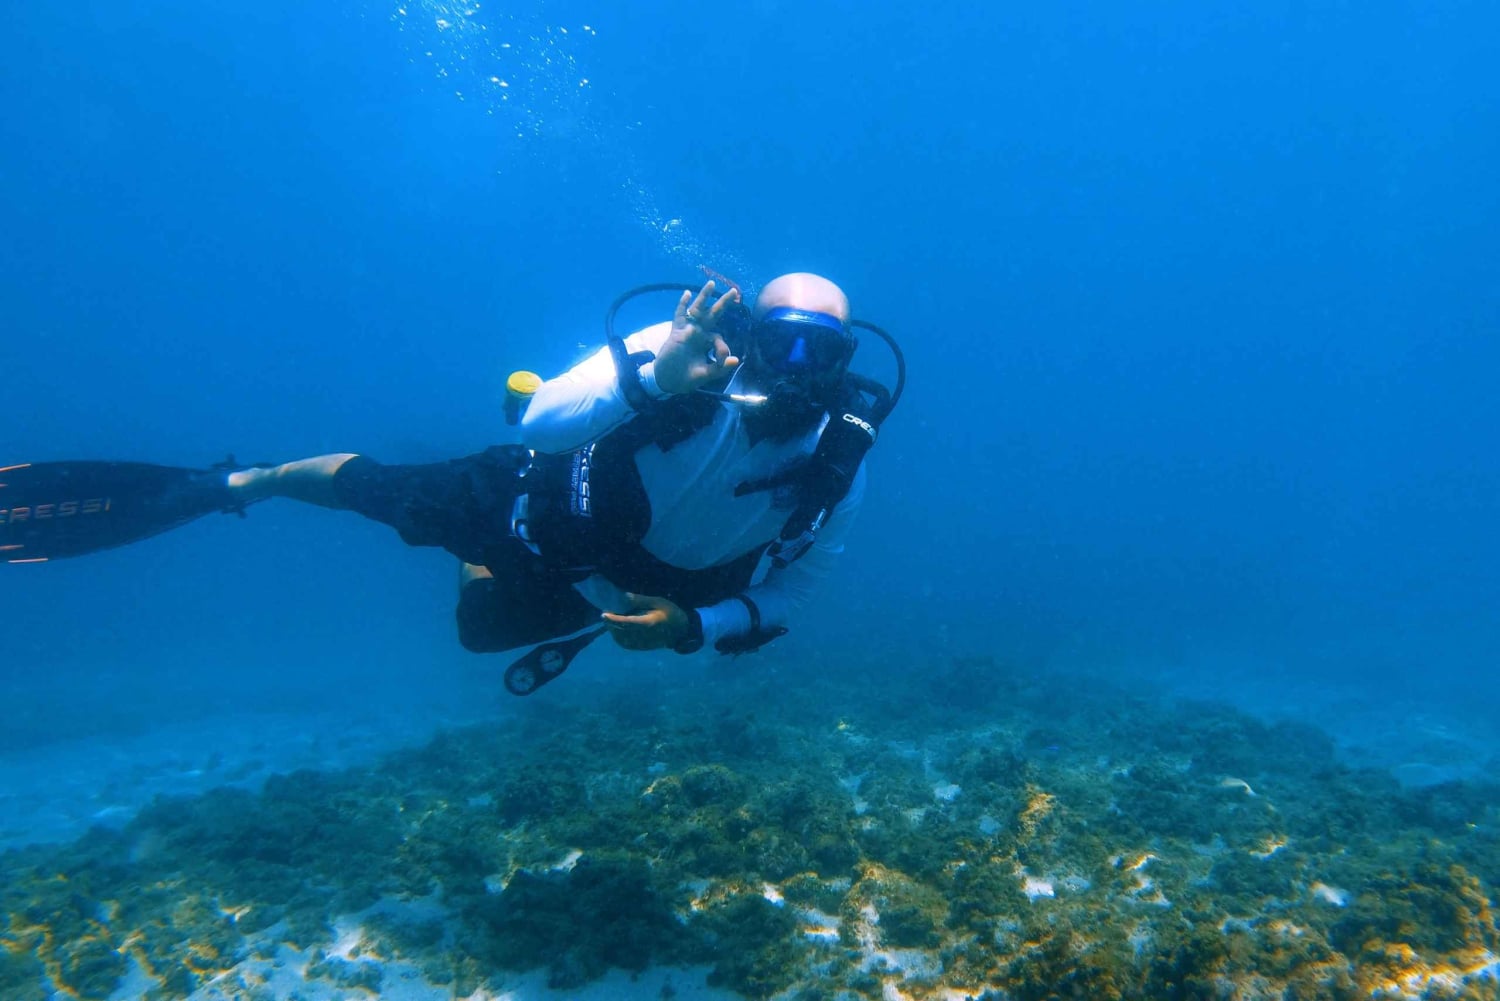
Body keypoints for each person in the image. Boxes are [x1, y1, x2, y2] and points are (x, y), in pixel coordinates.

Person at [2, 273, 898, 689]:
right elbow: (545, 420)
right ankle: (251, 480)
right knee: (379, 491)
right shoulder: (682, 356)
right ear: (751, 333)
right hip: (541, 508)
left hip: (645, 586)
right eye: (781, 340)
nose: (796, 367)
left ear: (846, 358)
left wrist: (694, 627)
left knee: (480, 634)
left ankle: (487, 569)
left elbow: (796, 589)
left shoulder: (839, 460)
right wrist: (657, 380)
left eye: (820, 350)